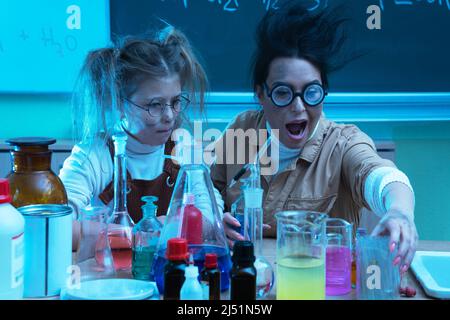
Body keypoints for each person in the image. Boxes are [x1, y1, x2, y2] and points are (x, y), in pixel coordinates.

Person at [210, 1, 418, 274]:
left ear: (324, 91)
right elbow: (210, 186)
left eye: (311, 92)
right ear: (261, 93)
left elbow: (382, 176)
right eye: (283, 93)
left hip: (321, 285)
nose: (299, 107)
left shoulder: (342, 143)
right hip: (249, 283)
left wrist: (399, 212)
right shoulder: (243, 129)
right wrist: (213, 219)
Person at [59, 26, 224, 249]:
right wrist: (139, 234)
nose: (169, 116)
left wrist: (161, 225)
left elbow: (210, 216)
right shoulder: (95, 155)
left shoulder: (183, 146)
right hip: (111, 277)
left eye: (175, 102)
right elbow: (56, 226)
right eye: (154, 105)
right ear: (120, 103)